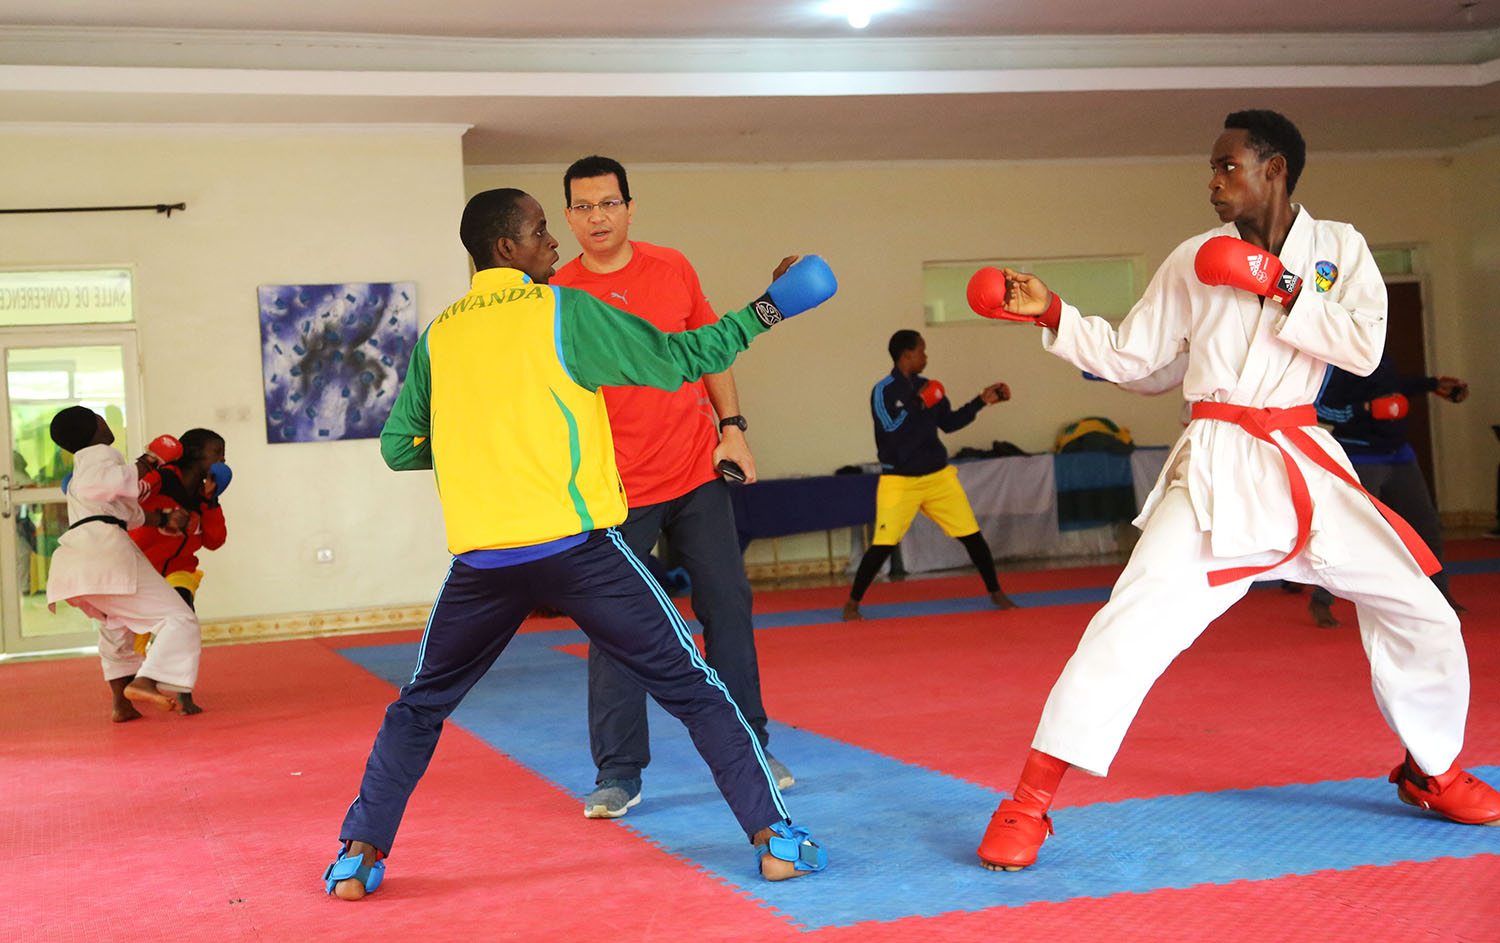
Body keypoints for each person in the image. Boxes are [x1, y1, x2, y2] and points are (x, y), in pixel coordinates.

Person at [963, 109, 1500, 872]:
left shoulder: (1339, 249)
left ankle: (1432, 768)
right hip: (1217, 465)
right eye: (1212, 170)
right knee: (1131, 622)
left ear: (1274, 169)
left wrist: (1283, 286)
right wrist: (1053, 311)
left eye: (1228, 168)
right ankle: (1028, 801)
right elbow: (1138, 360)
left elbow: (1366, 347)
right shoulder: (1195, 258)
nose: (1213, 184)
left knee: (1420, 606)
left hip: (1304, 460)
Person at [323, 188, 836, 901]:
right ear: (507, 248)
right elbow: (686, 354)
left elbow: (398, 447)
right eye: (541, 230)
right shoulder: (561, 309)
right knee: (694, 683)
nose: (555, 244)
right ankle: (776, 840)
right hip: (577, 550)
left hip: (482, 563)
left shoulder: (439, 335)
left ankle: (356, 854)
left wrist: (481, 444)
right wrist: (773, 306)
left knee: (418, 704)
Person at [550, 155, 794, 817]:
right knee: (617, 626)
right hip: (614, 490)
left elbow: (712, 346)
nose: (596, 217)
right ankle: (618, 772)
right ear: (568, 216)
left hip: (693, 470)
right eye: (582, 206)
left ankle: (752, 743)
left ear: (629, 207)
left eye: (607, 203)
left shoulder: (672, 267)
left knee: (728, 604)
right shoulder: (558, 293)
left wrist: (734, 427)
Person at [841, 329, 1015, 621]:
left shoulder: (930, 387)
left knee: (972, 536)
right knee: (882, 544)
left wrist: (981, 401)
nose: (925, 356)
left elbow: (949, 423)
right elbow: (890, 430)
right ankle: (852, 603)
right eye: (922, 351)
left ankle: (997, 592)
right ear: (907, 354)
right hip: (899, 481)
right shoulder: (883, 390)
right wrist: (915, 404)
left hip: (937, 477)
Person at [44, 407, 199, 723]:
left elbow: (125, 510)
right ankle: (146, 680)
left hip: (78, 560)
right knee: (180, 619)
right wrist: (149, 461)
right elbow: (110, 484)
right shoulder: (100, 455)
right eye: (101, 418)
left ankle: (122, 705)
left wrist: (164, 519)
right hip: (105, 553)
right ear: (98, 425)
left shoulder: (84, 471)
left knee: (115, 627)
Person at [1303, 358, 1468, 626]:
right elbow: (1317, 406)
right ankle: (1321, 600)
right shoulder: (1336, 359)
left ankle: (1440, 595)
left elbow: (1393, 386)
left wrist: (1433, 384)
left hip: (1399, 452)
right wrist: (1367, 409)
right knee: (1350, 530)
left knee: (1425, 524)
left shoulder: (1378, 351)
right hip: (1360, 454)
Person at [128, 428, 229, 713]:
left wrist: (211, 501)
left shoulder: (204, 492)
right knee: (130, 636)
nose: (224, 458)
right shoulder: (162, 477)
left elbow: (214, 541)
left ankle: (184, 692)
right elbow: (127, 502)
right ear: (197, 454)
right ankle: (125, 696)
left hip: (180, 568)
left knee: (185, 620)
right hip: (140, 566)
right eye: (217, 452)